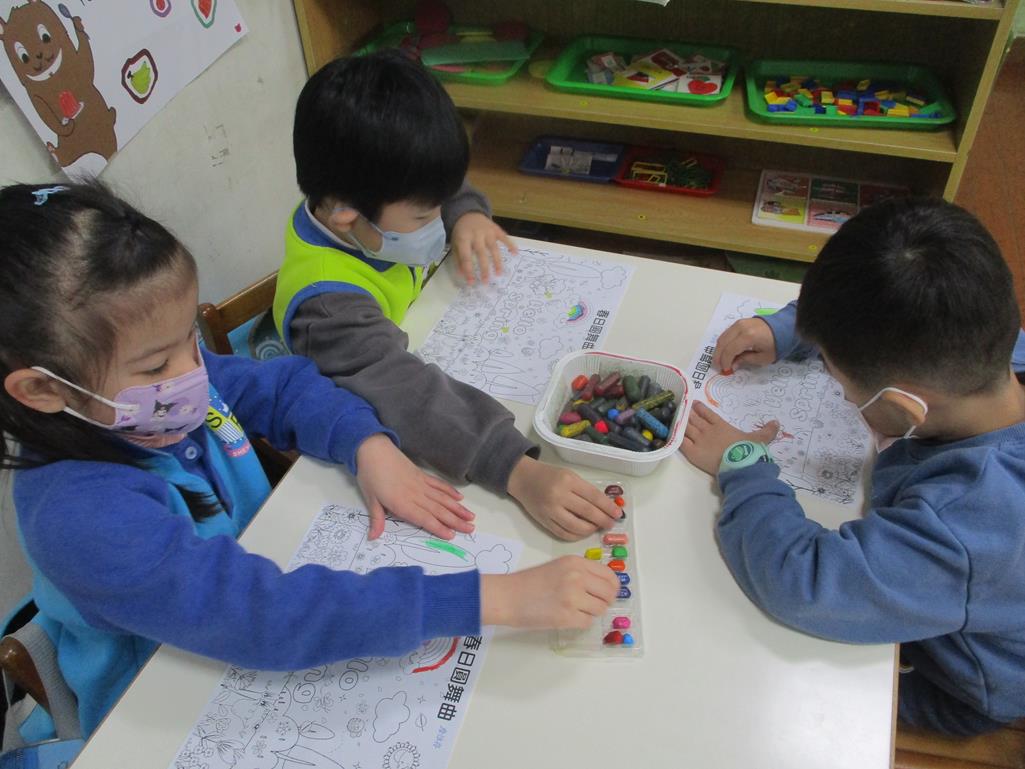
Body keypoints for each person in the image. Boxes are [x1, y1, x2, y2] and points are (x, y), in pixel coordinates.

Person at [0, 182, 620, 746]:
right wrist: (490, 597)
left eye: (192, 339)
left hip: (247, 594)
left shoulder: (157, 394)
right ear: (43, 390)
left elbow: (285, 387)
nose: (195, 372)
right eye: (158, 365)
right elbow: (261, 615)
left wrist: (366, 444)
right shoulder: (78, 516)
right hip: (157, 700)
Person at [681, 197, 1025, 735]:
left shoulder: (970, 524)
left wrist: (742, 463)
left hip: (964, 681)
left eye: (841, 386)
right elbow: (895, 311)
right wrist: (790, 331)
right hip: (974, 595)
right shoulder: (989, 345)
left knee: (788, 682)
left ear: (907, 408)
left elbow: (804, 581)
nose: (840, 392)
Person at [274, 50, 622, 542]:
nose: (438, 220)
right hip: (359, 433)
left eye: (441, 206)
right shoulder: (328, 310)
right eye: (425, 217)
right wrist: (515, 469)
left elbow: (438, 182)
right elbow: (409, 396)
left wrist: (468, 214)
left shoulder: (361, 191)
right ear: (348, 215)